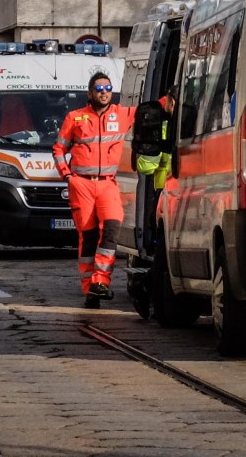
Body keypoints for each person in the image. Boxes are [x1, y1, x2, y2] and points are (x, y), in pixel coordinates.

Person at [53, 72, 173, 308]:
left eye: (107, 87)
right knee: (88, 237)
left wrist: (170, 98)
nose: (104, 92)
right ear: (90, 93)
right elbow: (58, 149)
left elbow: (150, 111)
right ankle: (90, 289)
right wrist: (68, 177)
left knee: (112, 227)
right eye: (99, 88)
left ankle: (101, 282)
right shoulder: (75, 118)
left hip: (108, 183)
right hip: (82, 183)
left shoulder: (121, 114)